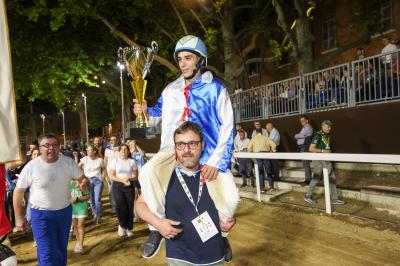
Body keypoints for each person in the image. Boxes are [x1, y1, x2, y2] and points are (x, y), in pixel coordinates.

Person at [134, 35, 239, 261]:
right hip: (173, 152)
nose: (182, 63)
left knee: (231, 200)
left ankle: (221, 235)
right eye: (180, 58)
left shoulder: (216, 89)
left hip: (208, 154)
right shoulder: (170, 89)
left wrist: (216, 162)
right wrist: (143, 111)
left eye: (188, 58)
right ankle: (156, 230)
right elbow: (155, 117)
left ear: (200, 60)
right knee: (147, 172)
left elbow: (228, 126)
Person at [136, 121, 236, 266]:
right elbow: (139, 205)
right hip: (179, 257)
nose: (187, 150)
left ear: (202, 145)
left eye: (193, 144)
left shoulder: (213, 174)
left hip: (215, 255)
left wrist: (230, 221)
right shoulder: (164, 176)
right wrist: (157, 224)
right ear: (175, 148)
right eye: (181, 145)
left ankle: (224, 240)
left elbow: (229, 207)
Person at [13, 133, 87, 266]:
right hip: (41, 215)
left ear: (59, 147)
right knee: (46, 253)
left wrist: (84, 182)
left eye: (54, 145)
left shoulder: (68, 163)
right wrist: (19, 217)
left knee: (60, 251)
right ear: (40, 148)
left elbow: (83, 179)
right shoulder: (31, 166)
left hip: (64, 213)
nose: (50, 148)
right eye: (46, 145)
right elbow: (18, 192)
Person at [304, 120, 345, 205]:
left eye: (330, 126)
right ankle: (308, 196)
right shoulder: (318, 135)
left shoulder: (327, 134)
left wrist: (326, 151)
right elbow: (311, 149)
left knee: (331, 177)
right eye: (328, 126)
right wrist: (323, 151)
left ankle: (334, 198)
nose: (330, 128)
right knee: (317, 178)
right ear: (322, 126)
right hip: (318, 159)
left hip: (325, 158)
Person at [108, 144, 138, 237]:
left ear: (128, 151)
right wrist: (122, 180)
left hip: (129, 185)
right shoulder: (115, 161)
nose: (123, 151)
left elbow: (135, 176)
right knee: (120, 207)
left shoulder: (132, 161)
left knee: (129, 207)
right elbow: (112, 175)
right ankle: (122, 226)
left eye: (125, 149)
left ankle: (129, 228)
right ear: (119, 151)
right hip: (117, 185)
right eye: (122, 149)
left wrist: (129, 179)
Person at [79, 145, 105, 224]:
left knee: (97, 200)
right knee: (91, 200)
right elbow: (77, 167)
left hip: (97, 181)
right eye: (87, 150)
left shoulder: (100, 160)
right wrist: (82, 177)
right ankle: (95, 213)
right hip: (88, 181)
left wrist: (102, 177)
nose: (88, 151)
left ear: (94, 151)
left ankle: (97, 215)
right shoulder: (85, 159)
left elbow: (104, 169)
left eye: (90, 150)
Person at [247, 128, 277, 192]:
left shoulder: (254, 139)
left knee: (260, 172)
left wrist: (252, 152)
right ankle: (271, 186)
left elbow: (249, 148)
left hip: (258, 155)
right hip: (266, 154)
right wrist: (272, 150)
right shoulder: (266, 137)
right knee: (268, 170)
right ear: (262, 132)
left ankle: (262, 188)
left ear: (256, 133)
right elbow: (274, 144)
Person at [70, 178, 90, 253]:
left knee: (80, 225)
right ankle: (78, 242)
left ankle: (81, 245)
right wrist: (70, 199)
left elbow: (88, 196)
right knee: (75, 226)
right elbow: (66, 197)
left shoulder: (82, 183)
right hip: (73, 208)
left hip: (82, 208)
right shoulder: (68, 184)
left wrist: (78, 198)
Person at [294, 115, 313, 184]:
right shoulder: (304, 128)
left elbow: (301, 135)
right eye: (301, 121)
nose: (302, 122)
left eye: (303, 120)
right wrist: (299, 136)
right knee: (305, 163)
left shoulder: (308, 127)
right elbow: (301, 136)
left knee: (305, 163)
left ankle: (308, 179)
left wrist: (296, 136)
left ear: (307, 120)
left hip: (305, 147)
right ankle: (308, 178)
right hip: (302, 147)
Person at [104, 136, 119, 213]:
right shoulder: (107, 150)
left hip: (119, 173)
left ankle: (119, 205)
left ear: (117, 140)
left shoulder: (120, 149)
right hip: (110, 173)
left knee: (119, 190)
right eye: (111, 140)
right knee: (111, 190)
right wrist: (105, 174)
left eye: (114, 139)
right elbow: (105, 162)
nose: (113, 141)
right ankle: (114, 206)